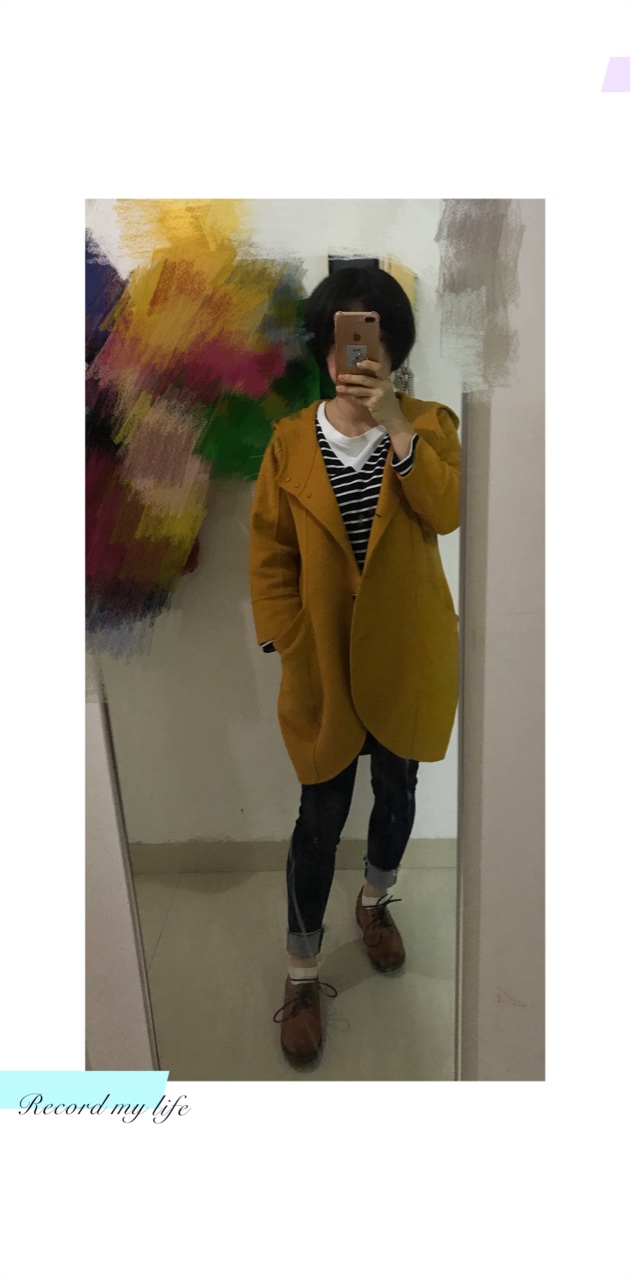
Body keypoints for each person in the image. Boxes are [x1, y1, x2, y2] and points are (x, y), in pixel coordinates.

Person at [248, 266, 460, 1067]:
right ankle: (302, 972)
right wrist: (286, 639)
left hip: (404, 654)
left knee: (398, 791)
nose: (356, 353)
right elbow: (269, 552)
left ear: (393, 345)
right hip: (325, 664)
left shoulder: (429, 426)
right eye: (342, 336)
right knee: (318, 817)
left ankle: (373, 901)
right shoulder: (288, 441)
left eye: (371, 335)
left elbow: (446, 510)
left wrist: (397, 425)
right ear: (323, 347)